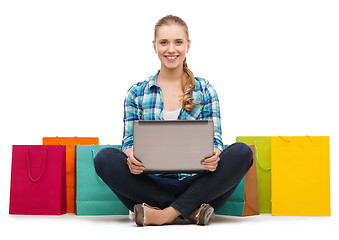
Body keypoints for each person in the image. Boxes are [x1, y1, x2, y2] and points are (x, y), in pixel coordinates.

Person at [94, 15, 253, 226]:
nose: (171, 49)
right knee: (104, 158)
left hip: (197, 180)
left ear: (188, 45)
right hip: (151, 182)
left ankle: (162, 214)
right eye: (164, 42)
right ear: (154, 46)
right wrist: (131, 156)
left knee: (242, 152)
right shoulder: (136, 93)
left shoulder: (205, 90)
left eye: (178, 42)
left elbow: (216, 141)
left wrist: (215, 155)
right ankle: (191, 210)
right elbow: (129, 142)